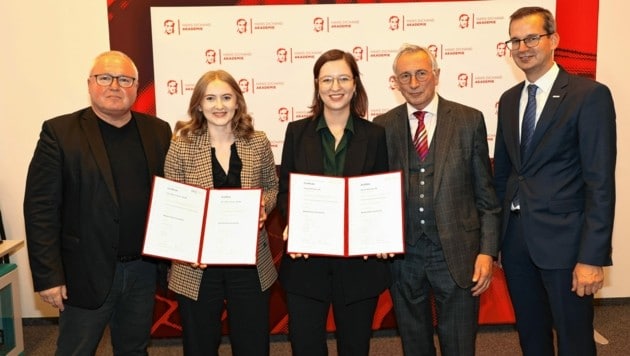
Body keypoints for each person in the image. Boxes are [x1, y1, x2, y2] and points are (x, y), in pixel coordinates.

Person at [23, 50, 172, 355]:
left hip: (143, 270)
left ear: (136, 86)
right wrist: (49, 276)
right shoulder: (60, 132)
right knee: (76, 350)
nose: (114, 86)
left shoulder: (158, 130)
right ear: (90, 84)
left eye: (125, 79)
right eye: (104, 78)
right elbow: (40, 209)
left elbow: (171, 195)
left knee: (134, 349)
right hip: (84, 272)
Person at [493, 7, 616, 356]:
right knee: (531, 338)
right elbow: (504, 174)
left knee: (574, 340)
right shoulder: (509, 100)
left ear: (554, 40)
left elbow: (600, 183)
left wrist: (592, 257)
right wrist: (499, 239)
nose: (522, 47)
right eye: (515, 40)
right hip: (516, 244)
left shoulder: (588, 96)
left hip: (567, 247)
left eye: (531, 37)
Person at [373, 44, 500, 356]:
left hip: (456, 253)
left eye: (421, 74)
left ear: (436, 75)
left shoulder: (469, 120)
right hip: (404, 257)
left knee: (458, 342)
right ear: (395, 81)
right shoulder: (381, 127)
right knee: (414, 344)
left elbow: (486, 195)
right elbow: (374, 195)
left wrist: (487, 252)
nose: (414, 83)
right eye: (405, 76)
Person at [278, 49, 391, 356]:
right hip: (307, 262)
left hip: (358, 265)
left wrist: (381, 233)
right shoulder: (296, 132)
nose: (335, 86)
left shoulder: (376, 135)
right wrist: (294, 223)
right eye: (327, 79)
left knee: (355, 347)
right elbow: (287, 188)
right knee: (305, 346)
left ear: (355, 85)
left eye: (343, 78)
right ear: (317, 85)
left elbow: (381, 192)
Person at [165, 69, 279, 356]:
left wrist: (263, 208)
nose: (219, 106)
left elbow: (271, 187)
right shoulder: (182, 144)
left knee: (252, 342)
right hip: (198, 264)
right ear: (199, 105)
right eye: (211, 98)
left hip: (249, 260)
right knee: (200, 344)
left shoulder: (258, 141)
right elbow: (173, 202)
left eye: (226, 97)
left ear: (238, 102)